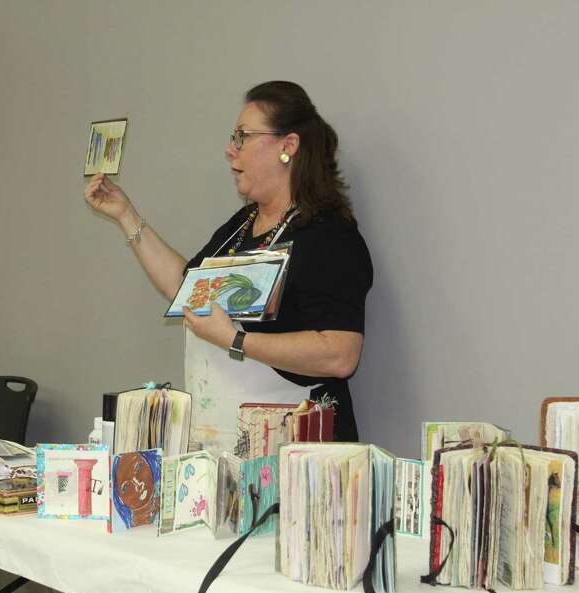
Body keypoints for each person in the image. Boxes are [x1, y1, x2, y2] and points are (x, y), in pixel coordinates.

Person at [84, 80, 372, 452]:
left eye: (243, 136)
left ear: (288, 146)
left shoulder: (328, 235)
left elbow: (339, 354)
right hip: (224, 450)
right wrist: (126, 214)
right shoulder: (242, 224)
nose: (230, 149)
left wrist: (236, 340)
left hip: (298, 461)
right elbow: (185, 289)